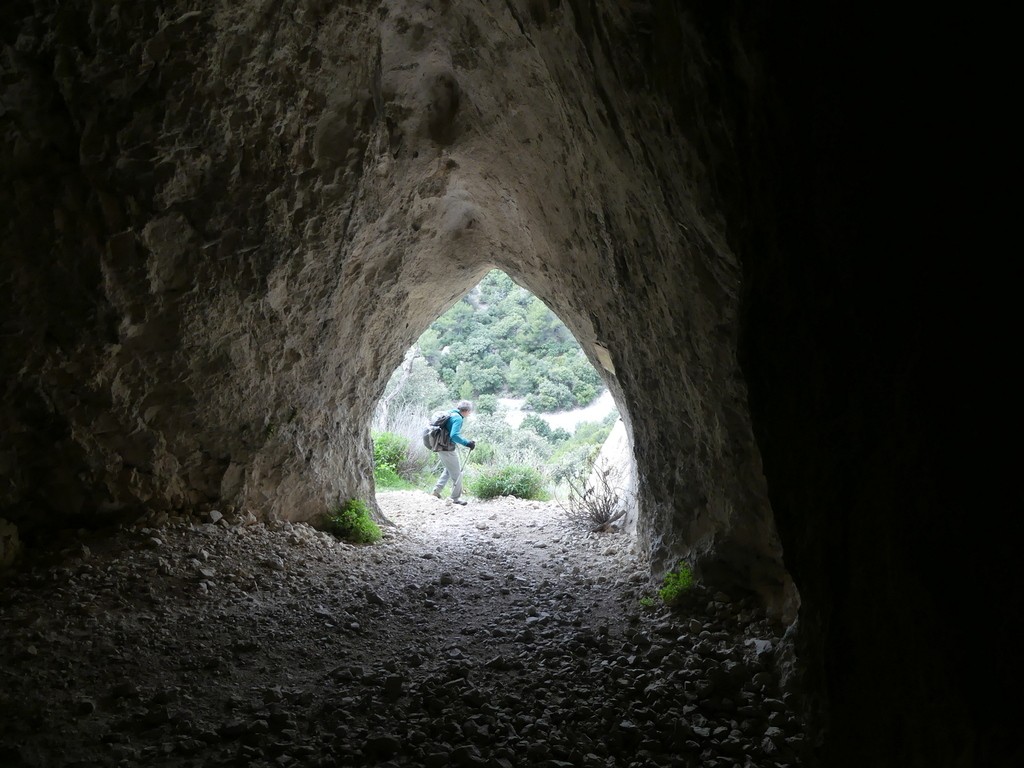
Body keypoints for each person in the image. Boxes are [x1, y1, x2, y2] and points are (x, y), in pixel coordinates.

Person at [431, 400, 476, 505]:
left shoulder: (451, 413)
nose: (469, 413)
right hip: (447, 449)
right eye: (470, 411)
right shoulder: (458, 418)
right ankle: (455, 498)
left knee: (448, 470)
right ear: (467, 411)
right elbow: (454, 435)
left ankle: (436, 492)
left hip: (440, 446)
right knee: (458, 473)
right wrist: (467, 443)